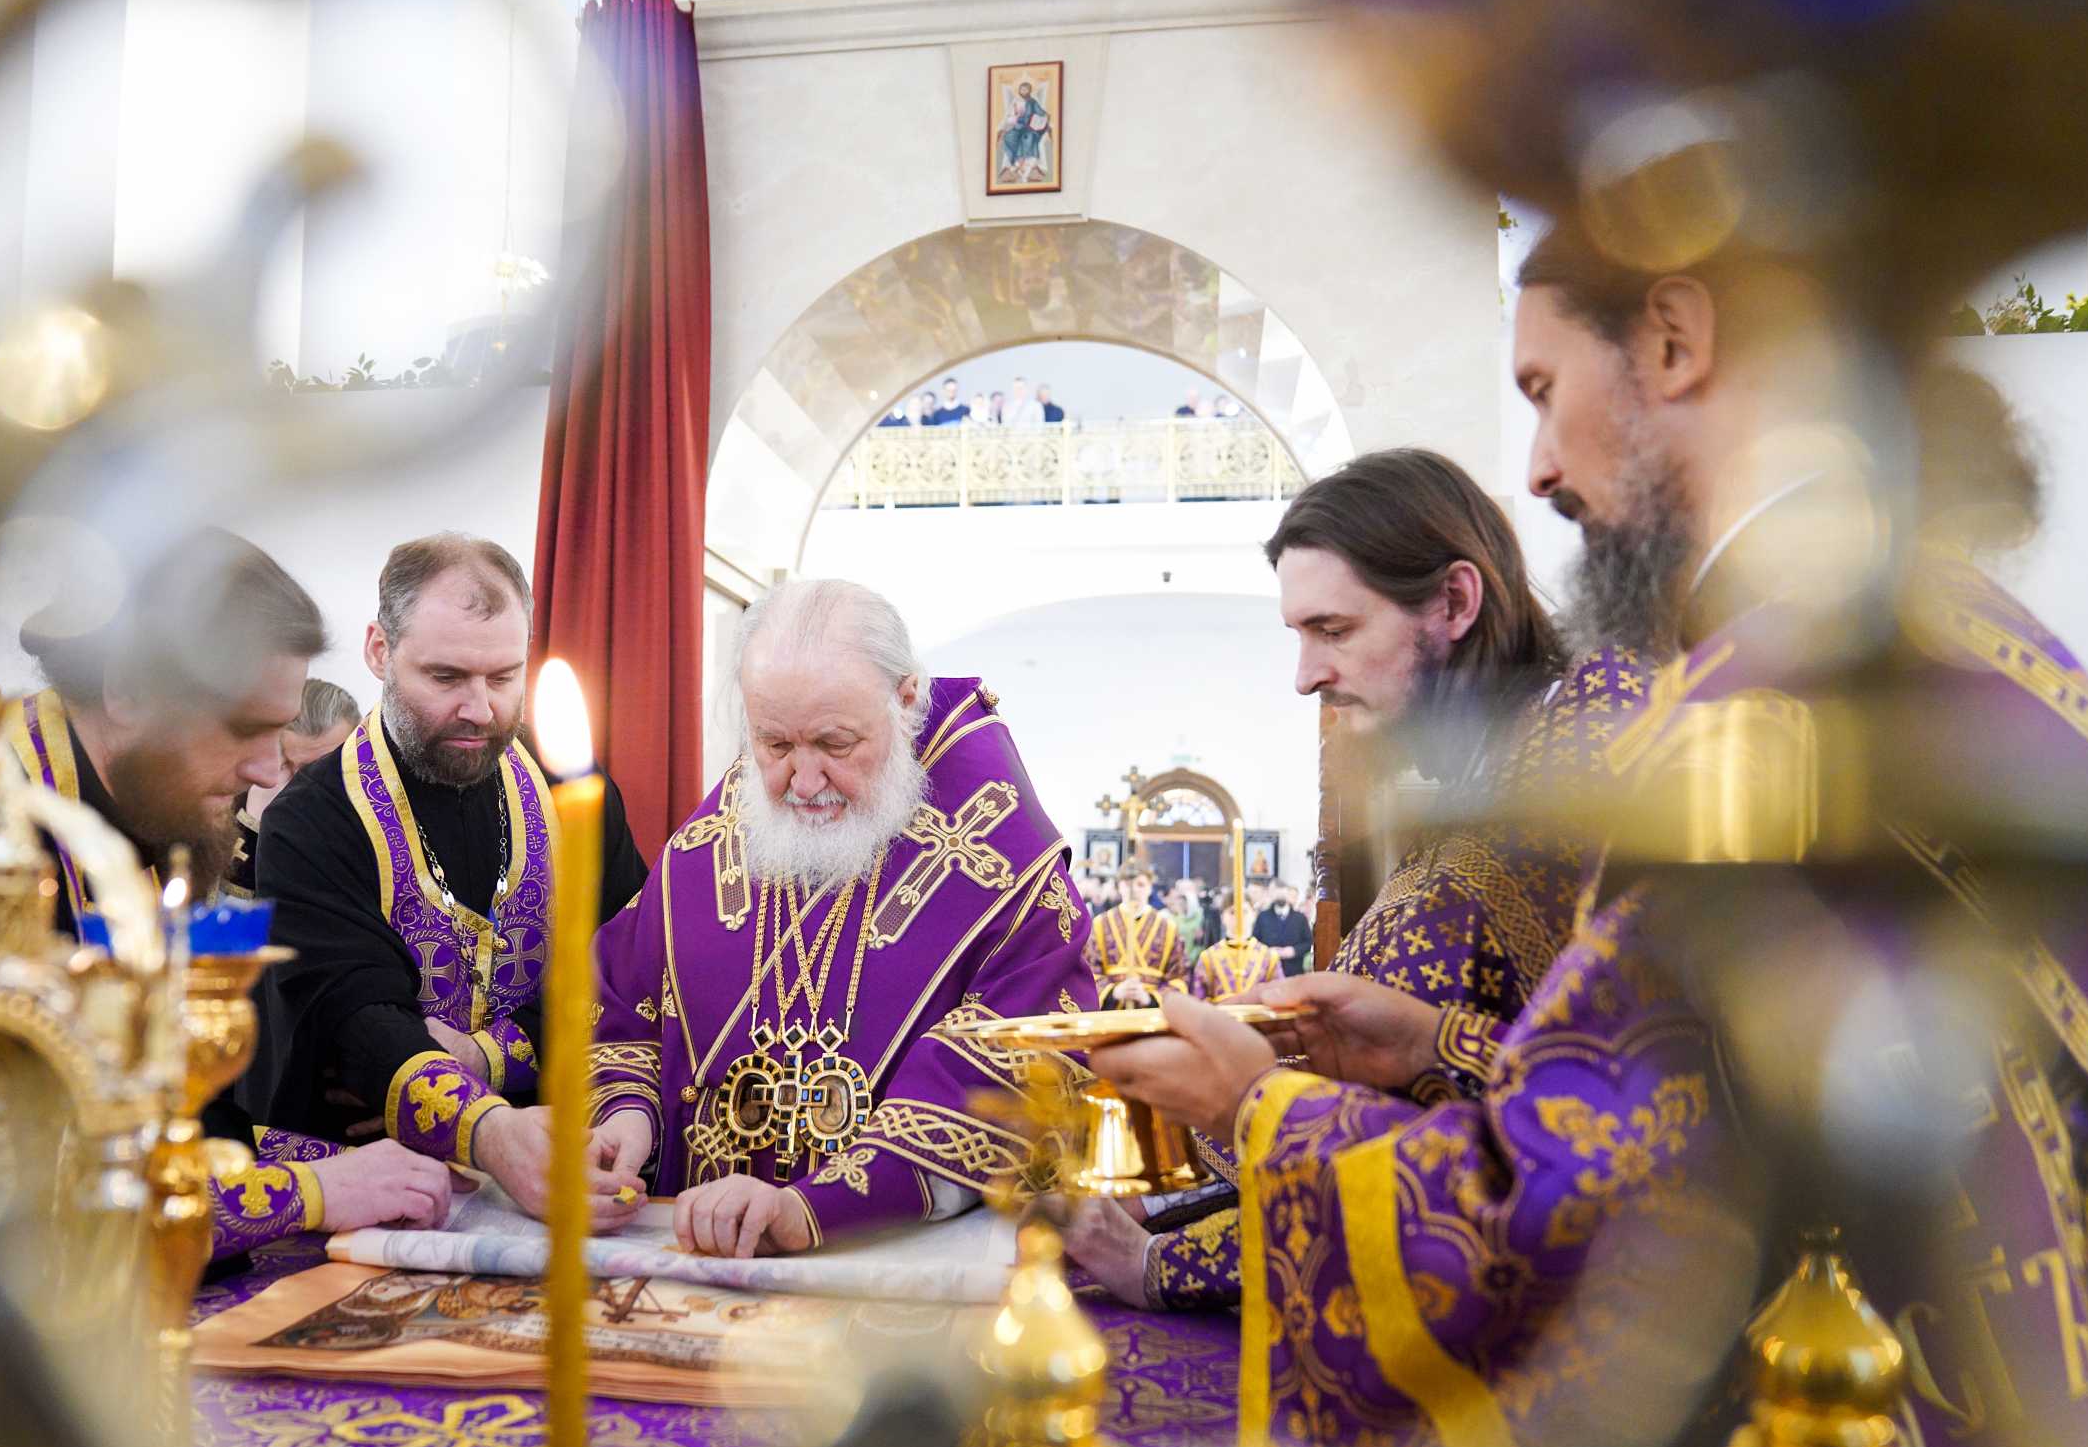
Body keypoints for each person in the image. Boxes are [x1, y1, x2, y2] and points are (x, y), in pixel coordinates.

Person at [1096, 186, 2088, 1447]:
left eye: (1544, 390)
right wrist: (1428, 1049)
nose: (1541, 466)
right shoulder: (1955, 640)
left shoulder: (1761, 713)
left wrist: (1260, 1107)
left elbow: (1570, 1213)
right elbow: (1706, 1106)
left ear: (1677, 342)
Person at [1071, 447, 1647, 1320]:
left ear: (1454, 602)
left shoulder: (1590, 753)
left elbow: (1617, 1134)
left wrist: (1163, 1263)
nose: (1306, 676)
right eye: (1299, 636)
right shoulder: (1485, 777)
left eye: (1333, 631)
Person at [581, 578, 1095, 1257]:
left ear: (906, 700)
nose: (803, 781)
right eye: (774, 744)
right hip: (694, 1251)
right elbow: (625, 996)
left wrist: (815, 1209)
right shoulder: (708, 845)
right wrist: (628, 1116)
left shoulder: (1002, 861)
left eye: (835, 743)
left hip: (893, 1271)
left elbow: (1019, 1065)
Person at [3, 526, 462, 1262]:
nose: (263, 769)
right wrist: (310, 1192)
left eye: (278, 733)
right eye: (245, 729)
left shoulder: (131, 827)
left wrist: (349, 1165)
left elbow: (190, 1129)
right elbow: (31, 1202)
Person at [256, 535, 651, 1227]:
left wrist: (485, 1055)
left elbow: (625, 973)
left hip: (557, 1155)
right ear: (380, 650)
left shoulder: (574, 793)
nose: (481, 710)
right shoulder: (312, 819)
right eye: (446, 678)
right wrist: (492, 1131)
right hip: (381, 1188)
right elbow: (355, 1017)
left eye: (503, 677)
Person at [230, 677, 360, 892]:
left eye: (326, 766)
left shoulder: (379, 805)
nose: (312, 782)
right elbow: (226, 914)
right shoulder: (235, 797)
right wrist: (255, 823)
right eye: (295, 766)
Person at [1087, 865, 1184, 1007]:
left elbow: (1179, 976)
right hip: (1111, 1016)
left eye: (1140, 884)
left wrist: (1150, 998)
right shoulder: (1100, 924)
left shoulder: (1168, 927)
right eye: (1127, 884)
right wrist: (1113, 992)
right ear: (1119, 887)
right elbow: (1089, 970)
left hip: (1152, 1017)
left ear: (1150, 888)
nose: (1134, 890)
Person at [1249, 879, 1312, 977]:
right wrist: (1267, 951)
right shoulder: (1263, 917)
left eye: (1282, 892)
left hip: (1294, 971)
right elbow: (1254, 941)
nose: (1280, 896)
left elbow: (1308, 942)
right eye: (1277, 893)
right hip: (1269, 971)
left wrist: (1294, 951)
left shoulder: (1300, 918)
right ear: (1271, 894)